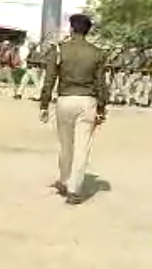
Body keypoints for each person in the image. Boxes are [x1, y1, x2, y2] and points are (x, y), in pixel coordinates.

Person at [40, 13, 107, 203]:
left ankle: (64, 179)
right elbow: (101, 83)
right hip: (87, 101)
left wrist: (44, 104)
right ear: (88, 31)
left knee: (65, 144)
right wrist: (102, 107)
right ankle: (74, 189)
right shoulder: (97, 53)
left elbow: (50, 79)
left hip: (65, 99)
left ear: (71, 28)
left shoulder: (59, 50)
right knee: (82, 147)